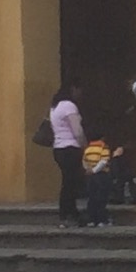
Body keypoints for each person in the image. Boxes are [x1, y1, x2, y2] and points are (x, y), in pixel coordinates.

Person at [45, 85, 86, 227]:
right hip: (71, 148)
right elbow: (77, 130)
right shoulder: (69, 106)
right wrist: (84, 145)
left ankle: (68, 212)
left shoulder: (54, 107)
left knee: (68, 181)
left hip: (59, 148)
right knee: (71, 183)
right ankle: (68, 213)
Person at [80, 138, 117, 229]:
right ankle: (101, 220)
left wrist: (88, 169)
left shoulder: (88, 148)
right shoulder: (103, 147)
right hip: (102, 175)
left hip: (91, 176)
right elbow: (104, 161)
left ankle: (91, 220)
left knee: (92, 197)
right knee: (102, 198)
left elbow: (84, 160)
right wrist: (95, 170)